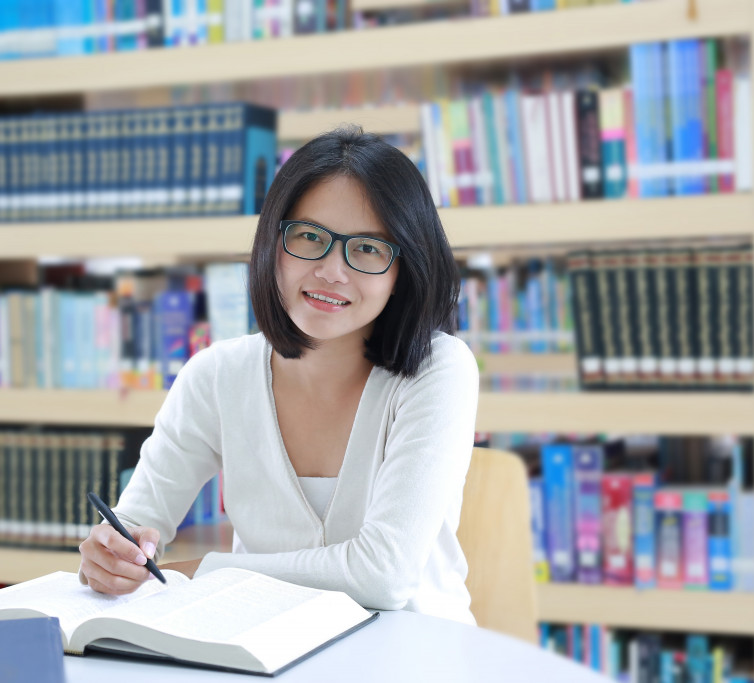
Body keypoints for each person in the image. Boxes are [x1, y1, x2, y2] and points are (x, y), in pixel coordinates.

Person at [78, 125, 481, 624]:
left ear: (404, 273)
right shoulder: (216, 376)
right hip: (264, 652)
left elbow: (383, 576)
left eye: (369, 249)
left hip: (416, 658)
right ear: (273, 243)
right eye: (309, 237)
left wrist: (203, 570)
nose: (333, 271)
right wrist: (111, 556)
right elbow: (136, 526)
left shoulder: (438, 370)